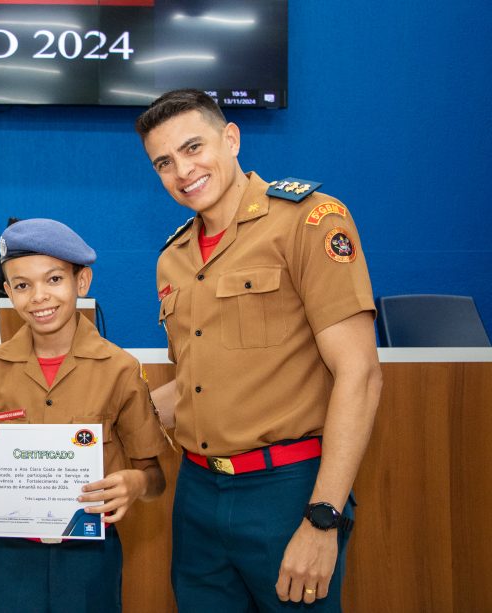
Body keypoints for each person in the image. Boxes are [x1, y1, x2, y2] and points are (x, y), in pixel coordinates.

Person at [135, 89, 383, 611]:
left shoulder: (309, 220)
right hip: (198, 495)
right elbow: (202, 381)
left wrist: (322, 519)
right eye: (164, 162)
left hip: (287, 492)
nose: (183, 170)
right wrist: (100, 423)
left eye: (193, 147)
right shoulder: (173, 259)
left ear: (231, 138)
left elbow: (358, 373)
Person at [0, 218, 168, 613]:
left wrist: (135, 483)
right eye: (22, 285)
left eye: (54, 279)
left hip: (90, 557)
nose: (39, 297)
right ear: (7, 292)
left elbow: (156, 476)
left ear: (82, 281)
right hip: (9, 556)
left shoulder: (119, 369)